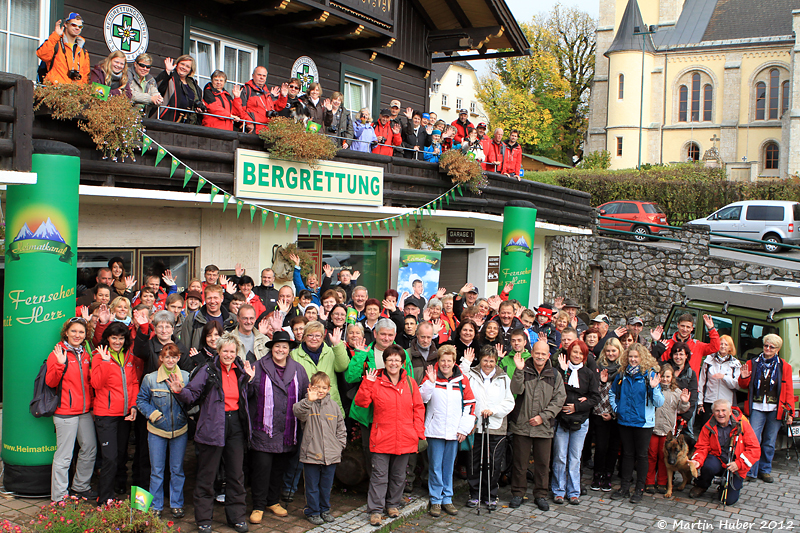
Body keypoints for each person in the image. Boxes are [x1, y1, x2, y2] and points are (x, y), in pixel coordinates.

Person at [170, 332, 254, 533]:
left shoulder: (240, 369)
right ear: (218, 351)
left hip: (235, 425)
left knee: (236, 474)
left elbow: (247, 396)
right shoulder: (208, 370)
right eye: (225, 350)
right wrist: (180, 391)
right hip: (213, 424)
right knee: (207, 475)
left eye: (232, 351)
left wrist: (249, 381)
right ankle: (204, 519)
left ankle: (237, 517)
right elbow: (193, 393)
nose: (228, 354)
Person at [355, 345, 426, 527]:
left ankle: (393, 504)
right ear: (384, 362)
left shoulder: (410, 383)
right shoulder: (375, 381)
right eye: (390, 359)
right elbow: (361, 403)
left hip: (405, 437)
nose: (393, 363)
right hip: (382, 436)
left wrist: (419, 434)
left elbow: (418, 409)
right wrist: (367, 383)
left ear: (402, 363)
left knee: (399, 475)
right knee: (379, 476)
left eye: (397, 360)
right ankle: (376, 510)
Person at [246, 330, 309, 522]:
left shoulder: (298, 369)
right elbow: (246, 396)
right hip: (263, 429)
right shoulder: (258, 367)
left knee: (278, 469)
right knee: (262, 468)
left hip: (287, 430)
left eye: (284, 347)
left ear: (289, 349)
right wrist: (247, 381)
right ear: (271, 348)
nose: (281, 350)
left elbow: (306, 393)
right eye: (277, 346)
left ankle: (272, 501)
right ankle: (258, 505)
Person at [345, 318, 414, 476]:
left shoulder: (402, 355)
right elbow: (351, 377)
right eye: (383, 334)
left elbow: (408, 383)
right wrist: (360, 356)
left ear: (395, 335)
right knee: (370, 451)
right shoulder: (365, 351)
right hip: (370, 412)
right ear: (375, 333)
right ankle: (375, 489)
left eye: (390, 335)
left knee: (395, 452)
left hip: (394, 413)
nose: (386, 338)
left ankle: (391, 491)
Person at [508, 339, 566, 511]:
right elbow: (515, 390)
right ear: (531, 353)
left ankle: (540, 495)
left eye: (543, 354)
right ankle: (518, 493)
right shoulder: (523, 370)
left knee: (542, 463)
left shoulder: (554, 375)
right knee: (520, 463)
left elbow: (559, 399)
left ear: (548, 355)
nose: (540, 356)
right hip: (522, 424)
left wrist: (543, 417)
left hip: (544, 426)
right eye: (537, 353)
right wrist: (518, 371)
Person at [420, 345, 476, 518]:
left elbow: (470, 404)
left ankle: (447, 498)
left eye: (449, 360)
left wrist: (464, 429)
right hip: (435, 430)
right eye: (442, 360)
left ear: (454, 362)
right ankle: (436, 500)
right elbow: (421, 398)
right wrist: (429, 382)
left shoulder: (462, 379)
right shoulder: (431, 376)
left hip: (454, 431)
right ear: (438, 361)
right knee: (435, 466)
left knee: (448, 466)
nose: (445, 364)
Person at [136, 343, 190, 519]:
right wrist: (153, 414)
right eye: (167, 356)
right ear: (161, 358)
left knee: (177, 470)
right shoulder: (150, 378)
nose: (170, 360)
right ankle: (155, 505)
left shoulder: (186, 377)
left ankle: (177, 504)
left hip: (180, 430)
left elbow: (192, 400)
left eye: (173, 357)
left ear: (178, 358)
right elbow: (141, 400)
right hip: (157, 430)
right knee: (157, 470)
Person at [47, 317, 96, 501]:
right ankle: (59, 497)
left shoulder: (85, 353)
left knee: (90, 448)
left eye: (81, 332)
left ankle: (80, 486)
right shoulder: (59, 352)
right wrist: (59, 364)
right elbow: (50, 382)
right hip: (65, 412)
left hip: (84, 411)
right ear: (66, 332)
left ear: (86, 335)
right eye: (74, 331)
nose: (77, 335)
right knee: (64, 456)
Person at [459, 345, 514, 509]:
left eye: (491, 361)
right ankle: (474, 493)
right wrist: (465, 363)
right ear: (480, 360)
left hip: (495, 426)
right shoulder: (471, 375)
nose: (488, 364)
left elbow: (509, 402)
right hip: (476, 426)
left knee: (493, 463)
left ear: (496, 361)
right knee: (474, 462)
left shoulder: (503, 378)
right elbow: (461, 387)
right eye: (485, 360)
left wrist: (494, 411)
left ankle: (490, 494)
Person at [91, 321, 139, 503]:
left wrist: (133, 406)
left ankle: (117, 490)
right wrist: (104, 362)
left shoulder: (128, 357)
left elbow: (134, 383)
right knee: (109, 458)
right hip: (106, 415)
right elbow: (96, 384)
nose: (117, 342)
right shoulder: (98, 356)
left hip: (125, 414)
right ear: (107, 338)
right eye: (114, 338)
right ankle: (104, 498)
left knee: (120, 456)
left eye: (121, 338)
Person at [609, 343, 664, 504]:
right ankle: (624, 488)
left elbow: (659, 402)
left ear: (642, 358)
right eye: (631, 356)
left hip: (643, 423)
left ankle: (639, 489)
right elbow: (613, 393)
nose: (633, 359)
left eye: (636, 357)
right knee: (627, 454)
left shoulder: (650, 375)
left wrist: (654, 388)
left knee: (641, 456)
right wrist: (617, 408)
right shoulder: (622, 374)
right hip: (625, 420)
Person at [737, 333, 794, 483]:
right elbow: (742, 386)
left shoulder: (785, 367)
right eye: (765, 345)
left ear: (777, 349)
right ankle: (751, 470)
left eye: (771, 347)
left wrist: (790, 412)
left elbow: (788, 390)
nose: (767, 349)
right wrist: (743, 377)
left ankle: (765, 470)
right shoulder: (752, 362)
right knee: (754, 439)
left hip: (775, 409)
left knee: (769, 441)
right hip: (756, 407)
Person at [293, 371, 347, 525]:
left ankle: (324, 509)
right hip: (311, 453)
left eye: (324, 388)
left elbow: (341, 428)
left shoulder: (334, 406)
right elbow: (298, 412)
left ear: (329, 389)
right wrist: (309, 401)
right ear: (310, 387)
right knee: (312, 486)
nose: (321, 391)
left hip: (331, 454)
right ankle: (313, 511)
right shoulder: (306, 404)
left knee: (326, 486)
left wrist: (339, 446)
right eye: (317, 387)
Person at [551, 340, 600, 505]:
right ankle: (558, 490)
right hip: (562, 420)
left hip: (580, 420)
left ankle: (573, 491)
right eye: (575, 352)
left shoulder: (588, 374)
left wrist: (577, 406)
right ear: (569, 353)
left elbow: (595, 397)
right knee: (560, 456)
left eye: (581, 353)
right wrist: (563, 372)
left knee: (575, 457)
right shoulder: (561, 370)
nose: (577, 356)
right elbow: (557, 390)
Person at [689, 400, 762, 505]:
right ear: (713, 412)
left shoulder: (742, 425)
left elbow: (754, 449)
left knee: (728, 501)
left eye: (724, 410)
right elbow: (702, 447)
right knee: (708, 465)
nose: (721, 414)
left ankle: (724, 486)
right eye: (717, 411)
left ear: (730, 411)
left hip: (735, 464)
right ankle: (702, 485)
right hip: (717, 460)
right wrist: (696, 461)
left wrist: (739, 464)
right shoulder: (708, 426)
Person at [645, 365, 690, 494]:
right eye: (663, 376)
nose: (665, 379)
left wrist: (685, 402)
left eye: (668, 377)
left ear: (672, 378)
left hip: (668, 429)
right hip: (653, 427)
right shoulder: (654, 388)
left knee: (664, 456)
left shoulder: (676, 392)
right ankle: (649, 481)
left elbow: (681, 409)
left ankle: (662, 482)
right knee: (652, 455)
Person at [591, 338, 623, 492]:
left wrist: (614, 414)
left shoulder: (622, 369)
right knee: (601, 447)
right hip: (600, 412)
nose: (611, 353)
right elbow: (593, 391)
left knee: (613, 447)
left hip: (616, 414)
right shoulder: (598, 366)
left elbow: (623, 395)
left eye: (614, 350)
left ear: (619, 351)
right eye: (608, 350)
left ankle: (608, 475)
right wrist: (602, 383)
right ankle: (597, 475)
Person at [697, 335, 741, 429]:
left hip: (726, 403)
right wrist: (700, 402)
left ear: (730, 347)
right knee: (706, 429)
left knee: (724, 430)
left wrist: (724, 377)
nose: (723, 346)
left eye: (726, 344)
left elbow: (737, 385)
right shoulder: (709, 360)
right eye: (721, 344)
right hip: (709, 401)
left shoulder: (735, 363)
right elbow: (701, 382)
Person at [652, 313, 719, 374]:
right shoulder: (667, 344)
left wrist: (711, 329)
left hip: (690, 385)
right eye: (682, 326)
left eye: (688, 327)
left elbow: (715, 347)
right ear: (678, 325)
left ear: (692, 328)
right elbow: (653, 360)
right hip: (671, 384)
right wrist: (655, 341)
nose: (685, 329)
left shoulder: (697, 345)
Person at [181, 284, 238, 351]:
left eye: (215, 298)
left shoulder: (232, 319)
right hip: (198, 359)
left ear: (222, 298)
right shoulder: (193, 318)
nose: (212, 301)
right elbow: (185, 346)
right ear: (204, 299)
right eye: (209, 298)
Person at [36, 13, 89, 84]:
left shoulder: (83, 51)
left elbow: (85, 77)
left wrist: (81, 92)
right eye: (74, 25)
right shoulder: (56, 43)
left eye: (80, 27)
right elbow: (42, 54)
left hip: (74, 93)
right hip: (55, 92)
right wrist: (56, 35)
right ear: (65, 24)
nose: (77, 28)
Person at [663, 342, 698, 439]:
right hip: (666, 410)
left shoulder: (691, 374)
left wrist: (686, 416)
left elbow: (693, 396)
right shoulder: (665, 368)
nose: (678, 357)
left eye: (681, 354)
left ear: (687, 356)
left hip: (683, 411)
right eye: (676, 354)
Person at [157, 55, 206, 124]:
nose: (184, 67)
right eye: (182, 64)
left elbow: (196, 101)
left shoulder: (193, 84)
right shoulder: (170, 78)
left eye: (187, 66)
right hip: (168, 120)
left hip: (187, 122)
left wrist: (198, 109)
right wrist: (167, 72)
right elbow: (159, 87)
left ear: (190, 70)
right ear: (177, 64)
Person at [240, 66, 288, 133]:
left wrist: (283, 96)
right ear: (253, 76)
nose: (261, 77)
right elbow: (240, 109)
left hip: (267, 131)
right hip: (253, 130)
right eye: (259, 75)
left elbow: (278, 107)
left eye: (264, 76)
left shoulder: (267, 92)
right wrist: (248, 122)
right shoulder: (246, 90)